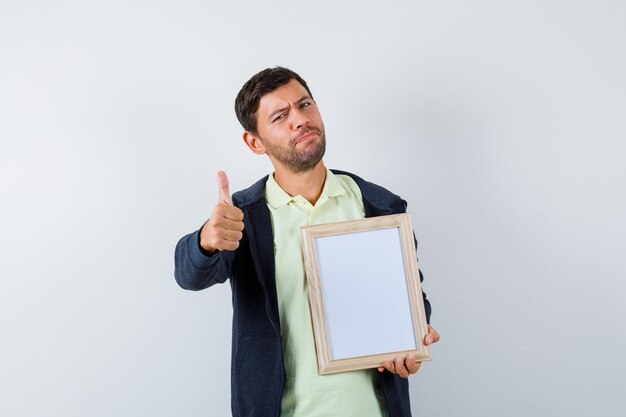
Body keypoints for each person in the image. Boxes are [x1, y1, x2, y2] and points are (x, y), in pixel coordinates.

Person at [174, 67, 440, 417]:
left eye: (305, 105)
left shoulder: (379, 206)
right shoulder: (242, 216)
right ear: (255, 142)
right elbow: (189, 275)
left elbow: (410, 300)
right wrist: (206, 241)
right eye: (281, 116)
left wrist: (410, 344)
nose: (300, 119)